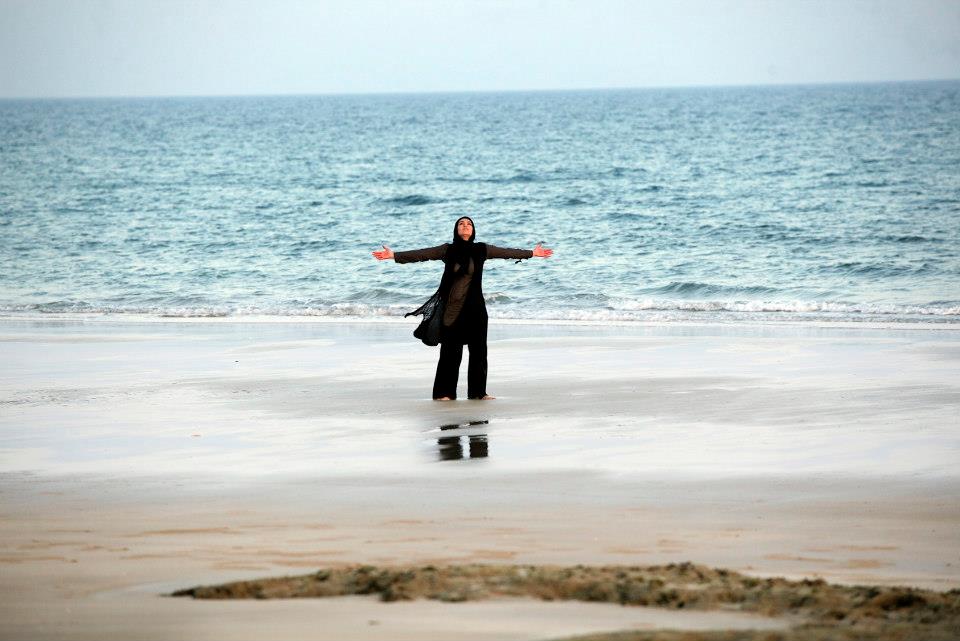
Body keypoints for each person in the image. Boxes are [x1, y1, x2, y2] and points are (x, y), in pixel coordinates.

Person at [373, 216, 552, 400]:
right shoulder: (447, 250)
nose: (465, 226)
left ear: (473, 230)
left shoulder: (482, 249)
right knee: (451, 351)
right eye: (461, 224)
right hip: (453, 308)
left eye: (469, 224)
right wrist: (394, 255)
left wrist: (532, 253)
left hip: (476, 309)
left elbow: (506, 252)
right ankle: (444, 393)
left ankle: (478, 393)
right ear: (456, 229)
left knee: (479, 351)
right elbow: (422, 254)